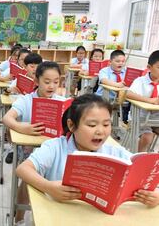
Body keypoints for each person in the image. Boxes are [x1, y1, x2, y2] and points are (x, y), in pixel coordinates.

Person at [16, 94, 159, 225]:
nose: (100, 131)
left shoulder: (115, 152)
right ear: (71, 125)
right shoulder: (55, 147)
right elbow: (23, 169)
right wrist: (49, 187)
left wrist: (155, 196)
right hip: (58, 217)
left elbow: (147, 178)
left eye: (106, 124)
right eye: (92, 125)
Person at [127, 50, 159, 152]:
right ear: (149, 67)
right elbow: (128, 94)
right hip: (139, 118)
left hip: (156, 119)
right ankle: (140, 157)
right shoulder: (140, 81)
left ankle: (155, 162)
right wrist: (149, 100)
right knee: (147, 137)